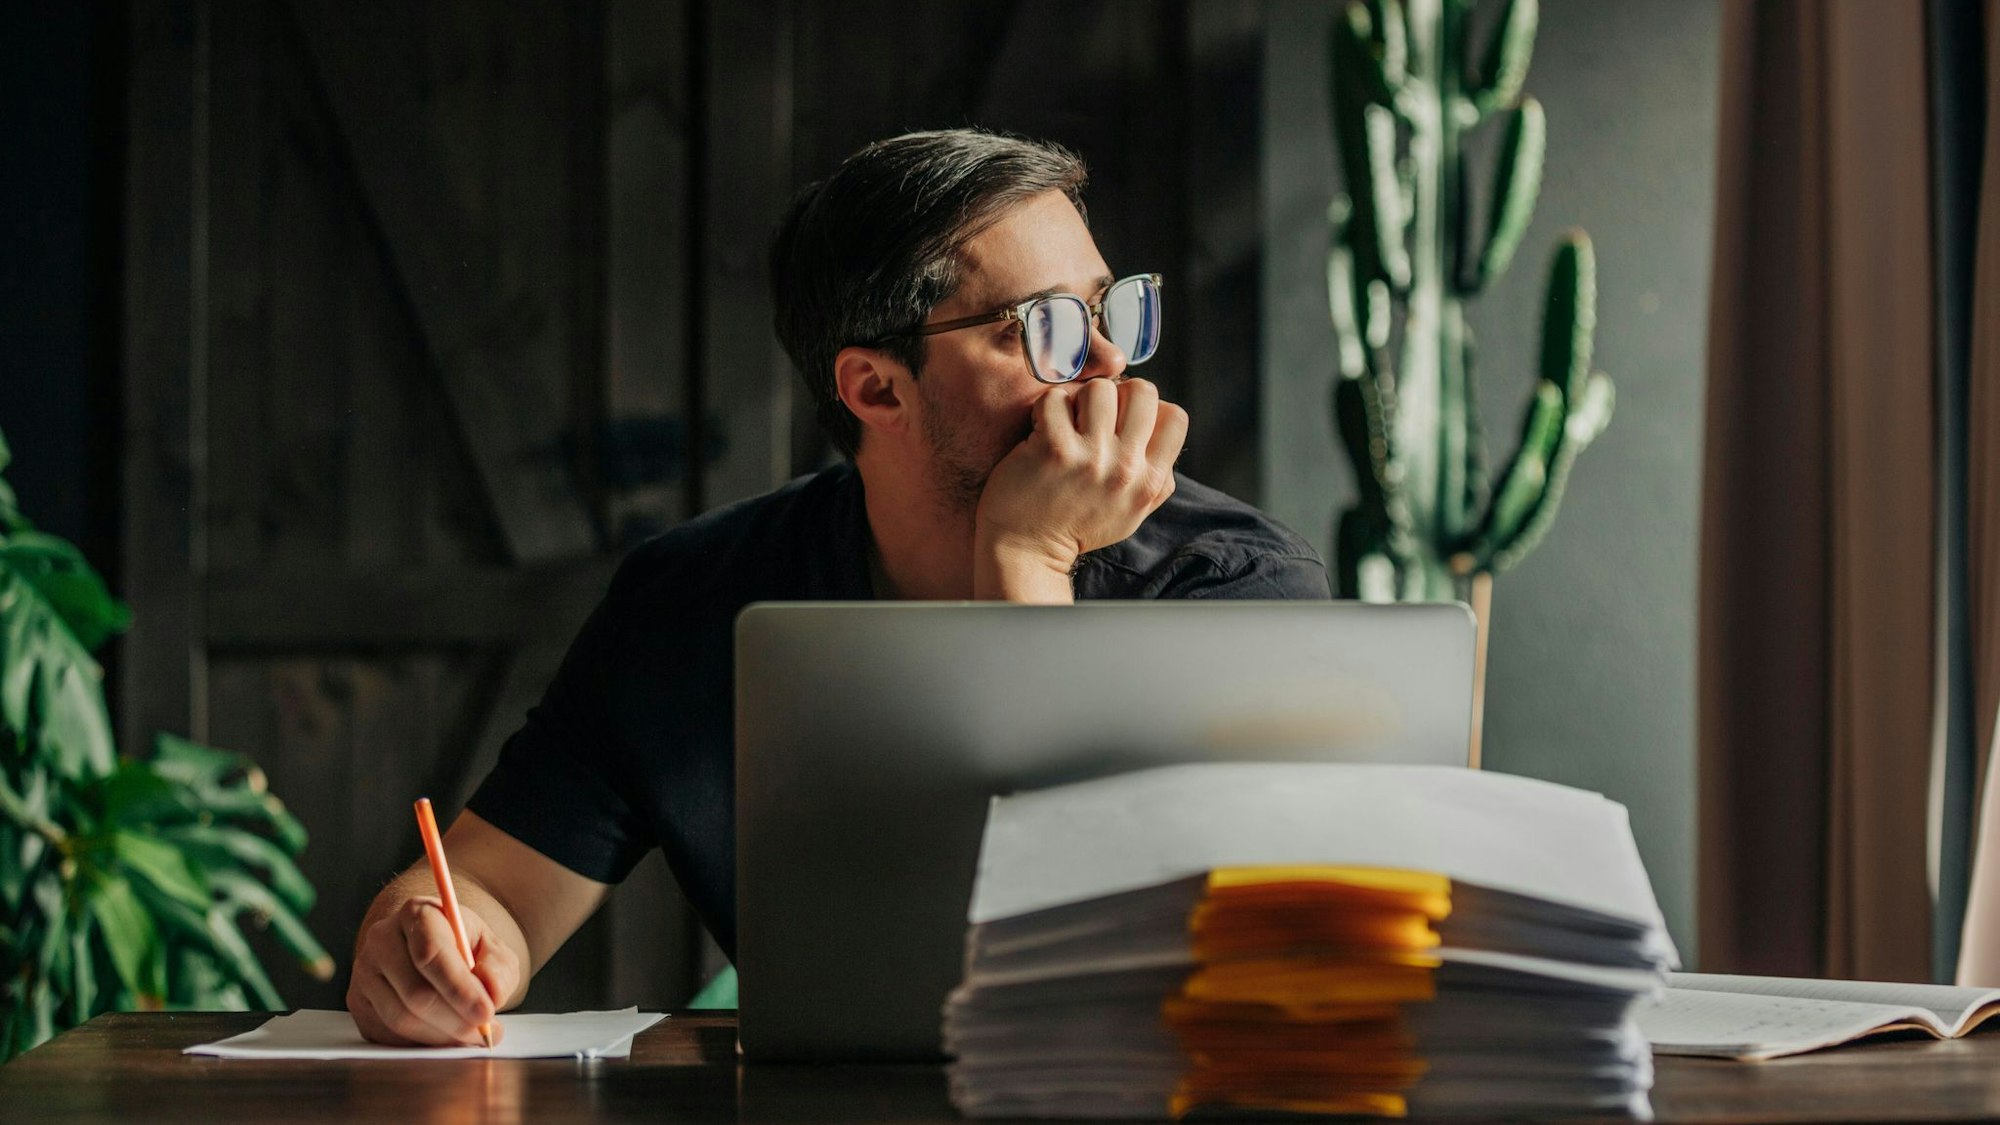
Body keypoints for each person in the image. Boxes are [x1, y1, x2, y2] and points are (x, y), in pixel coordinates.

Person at [347, 129, 1331, 1046]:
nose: (1108, 368)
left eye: (1108, 310)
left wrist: (1027, 562)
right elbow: (494, 891)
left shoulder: (1236, 589)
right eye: (1047, 328)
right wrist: (435, 939)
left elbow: (1120, 981)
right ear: (875, 390)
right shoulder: (693, 599)